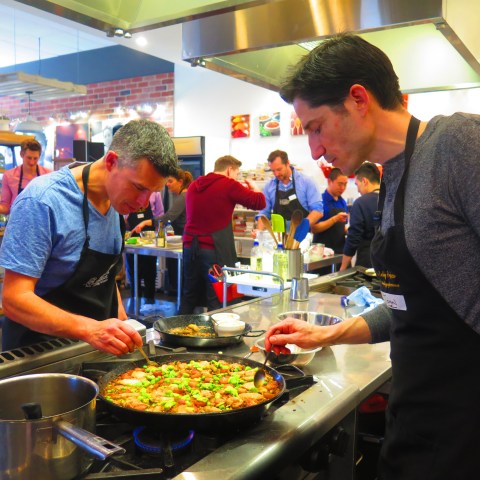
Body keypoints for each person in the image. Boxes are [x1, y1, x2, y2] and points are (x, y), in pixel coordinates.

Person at [265, 32, 480, 480]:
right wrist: (326, 335)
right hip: (417, 421)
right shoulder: (395, 175)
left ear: (359, 99)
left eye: (316, 127)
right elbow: (410, 305)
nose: (315, 151)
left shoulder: (457, 144)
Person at [0, 119, 178, 354]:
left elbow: (104, 274)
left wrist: (121, 317)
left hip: (93, 346)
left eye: (152, 192)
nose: (142, 204)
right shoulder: (43, 201)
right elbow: (14, 299)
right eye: (138, 188)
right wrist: (90, 329)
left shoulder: (117, 202)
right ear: (112, 162)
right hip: (40, 353)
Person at [180, 155, 266, 313]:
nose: (236, 177)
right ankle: (217, 336)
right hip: (213, 250)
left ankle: (176, 335)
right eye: (236, 173)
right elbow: (260, 202)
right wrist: (254, 186)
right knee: (216, 299)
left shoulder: (194, 185)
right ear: (229, 169)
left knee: (188, 296)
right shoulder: (228, 184)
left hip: (190, 248)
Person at [258, 149, 323, 226]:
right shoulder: (269, 186)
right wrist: (259, 232)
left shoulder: (307, 182)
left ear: (288, 163)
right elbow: (264, 213)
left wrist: (303, 228)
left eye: (279, 169)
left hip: (302, 236)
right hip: (278, 236)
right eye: (273, 171)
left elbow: (318, 211)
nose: (276, 174)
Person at [340, 162, 381, 270]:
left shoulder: (361, 203)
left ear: (364, 181)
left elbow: (353, 237)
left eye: (357, 185)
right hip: (389, 265)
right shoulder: (391, 199)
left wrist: (343, 268)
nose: (358, 190)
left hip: (367, 264)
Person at [125, 191, 164, 303]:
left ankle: (150, 304)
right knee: (133, 274)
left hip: (149, 240)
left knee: (150, 275)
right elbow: (124, 215)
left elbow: (160, 215)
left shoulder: (155, 193)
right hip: (132, 239)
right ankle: (134, 303)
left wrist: (157, 233)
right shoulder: (129, 190)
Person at [0, 139, 51, 214]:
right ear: (21, 154)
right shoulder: (9, 176)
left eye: (35, 158)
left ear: (39, 156)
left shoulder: (48, 175)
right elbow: (6, 207)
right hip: (16, 223)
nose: (32, 162)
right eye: (29, 158)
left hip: (41, 224)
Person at [310, 167, 349, 253]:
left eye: (345, 184)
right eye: (340, 184)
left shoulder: (342, 202)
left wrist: (349, 231)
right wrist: (335, 219)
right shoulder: (319, 201)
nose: (342, 188)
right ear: (329, 181)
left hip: (339, 251)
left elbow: (343, 227)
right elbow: (314, 228)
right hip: (321, 253)